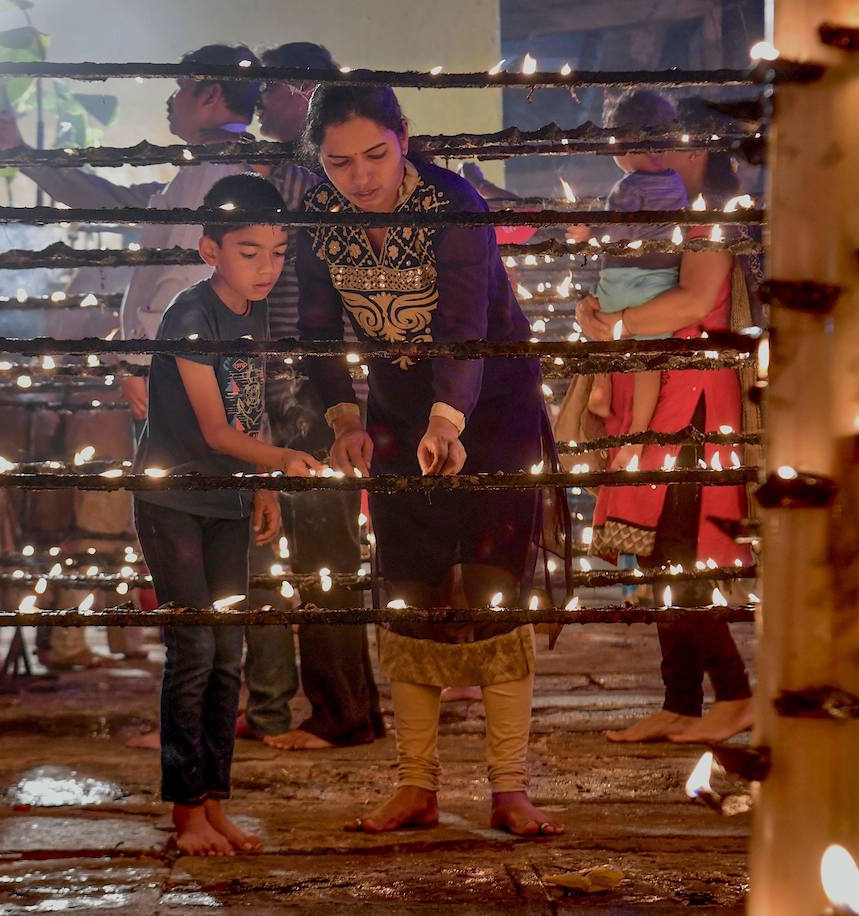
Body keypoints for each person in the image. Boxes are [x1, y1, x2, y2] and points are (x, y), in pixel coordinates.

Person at [297, 83, 563, 837]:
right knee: (407, 584)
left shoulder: (454, 204)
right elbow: (318, 327)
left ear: (404, 137)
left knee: (492, 585)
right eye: (339, 161)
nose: (361, 177)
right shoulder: (318, 214)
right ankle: (416, 784)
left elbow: (464, 324)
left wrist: (451, 420)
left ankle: (509, 788)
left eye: (376, 155)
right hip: (396, 406)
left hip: (492, 399)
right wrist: (345, 416)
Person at [0, 43, 263, 669]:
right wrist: (18, 151)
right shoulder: (200, 172)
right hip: (187, 376)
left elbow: (186, 290)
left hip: (186, 379)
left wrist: (141, 364)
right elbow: (110, 201)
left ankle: (213, 704)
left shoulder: (225, 178)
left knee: (193, 542)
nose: (169, 99)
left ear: (209, 96)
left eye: (180, 87)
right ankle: (216, 700)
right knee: (198, 541)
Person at [133, 173, 322, 855]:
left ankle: (214, 804)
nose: (266, 267)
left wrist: (263, 488)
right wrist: (282, 462)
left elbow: (254, 403)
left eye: (277, 252)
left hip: (230, 500)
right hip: (175, 501)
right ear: (210, 249)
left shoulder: (255, 309)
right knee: (194, 652)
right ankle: (186, 814)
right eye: (250, 251)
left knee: (229, 656)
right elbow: (216, 431)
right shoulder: (191, 316)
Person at [572, 91, 754, 746]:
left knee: (679, 548)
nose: (647, 156)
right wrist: (597, 317)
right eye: (636, 145)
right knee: (651, 550)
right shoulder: (652, 208)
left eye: (663, 142)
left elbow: (697, 297)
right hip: (645, 386)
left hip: (693, 401)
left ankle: (733, 694)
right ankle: (681, 700)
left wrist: (612, 324)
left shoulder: (709, 216)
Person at [241, 41, 385, 752]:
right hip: (303, 381)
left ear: (303, 91)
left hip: (310, 385)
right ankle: (344, 708)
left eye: (270, 88)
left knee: (324, 555)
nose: (259, 101)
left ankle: (344, 715)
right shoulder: (297, 172)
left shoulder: (308, 175)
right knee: (319, 555)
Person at [585, 90, 690, 474]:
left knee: (598, 328)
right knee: (648, 360)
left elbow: (617, 230)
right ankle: (639, 434)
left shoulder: (627, 187)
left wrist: (589, 232)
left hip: (621, 275)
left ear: (625, 146)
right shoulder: (677, 183)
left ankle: (600, 388)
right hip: (661, 279)